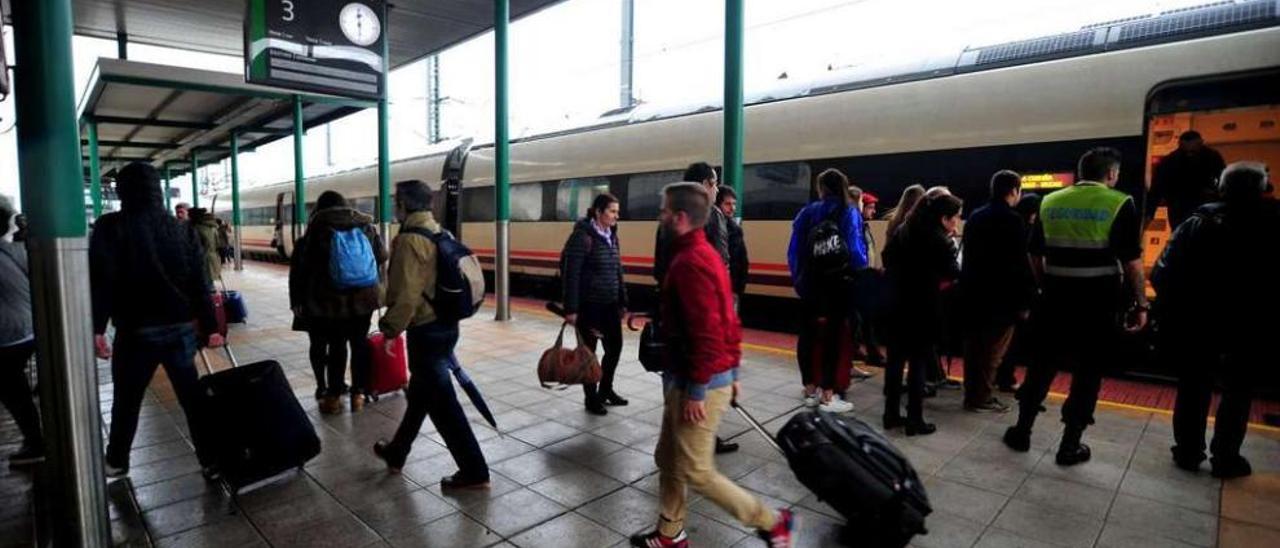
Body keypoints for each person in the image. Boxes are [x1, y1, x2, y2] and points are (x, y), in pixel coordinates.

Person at [630, 182, 795, 548]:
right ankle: (670, 532)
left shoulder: (690, 263)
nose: (660, 217)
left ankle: (772, 522)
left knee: (695, 470)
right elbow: (728, 320)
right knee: (668, 457)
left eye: (664, 211)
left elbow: (706, 332)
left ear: (680, 217)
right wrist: (733, 371)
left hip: (696, 380)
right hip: (695, 375)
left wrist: (698, 390)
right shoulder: (703, 254)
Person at [1004, 147, 1148, 466]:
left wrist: (1046, 283)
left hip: (1054, 299)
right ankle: (1070, 445)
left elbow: (1034, 254)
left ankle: (1022, 430)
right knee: (1088, 372)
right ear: (1111, 174)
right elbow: (1132, 262)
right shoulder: (1120, 202)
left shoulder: (1050, 201)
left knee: (1042, 365)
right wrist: (1141, 303)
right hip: (1098, 303)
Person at [89, 162, 225, 479]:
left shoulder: (111, 226)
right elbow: (200, 284)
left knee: (127, 401)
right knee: (192, 401)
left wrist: (97, 328)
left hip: (135, 333)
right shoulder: (181, 228)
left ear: (122, 191)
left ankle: (118, 461)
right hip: (179, 330)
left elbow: (102, 281)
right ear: (157, 191)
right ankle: (211, 460)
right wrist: (212, 327)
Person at [1154, 161, 1278, 479]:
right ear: (1264, 188)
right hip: (1252, 324)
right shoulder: (1274, 222)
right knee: (1239, 391)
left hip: (1198, 322)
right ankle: (1226, 458)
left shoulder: (1197, 221)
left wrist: (1177, 308)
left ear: (1221, 187)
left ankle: (1187, 452)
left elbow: (1162, 273)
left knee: (1193, 386)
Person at [373, 180, 490, 489]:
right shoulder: (440, 232)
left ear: (403, 205)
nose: (394, 208)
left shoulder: (411, 240)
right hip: (447, 326)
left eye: (396, 202)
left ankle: (474, 470)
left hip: (425, 331)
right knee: (421, 395)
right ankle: (397, 452)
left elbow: (407, 294)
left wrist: (389, 331)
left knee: (444, 406)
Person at [653, 161, 739, 455]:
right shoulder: (703, 230)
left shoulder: (679, 229)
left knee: (675, 456)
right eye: (714, 183)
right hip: (691, 345)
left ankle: (696, 436)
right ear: (705, 185)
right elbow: (708, 323)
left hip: (685, 348)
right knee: (692, 468)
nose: (717, 188)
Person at [289, 190, 386, 413]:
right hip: (363, 298)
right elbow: (382, 255)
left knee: (337, 346)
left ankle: (333, 397)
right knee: (360, 343)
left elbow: (301, 269)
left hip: (329, 301)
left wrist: (298, 300)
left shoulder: (316, 229)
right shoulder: (365, 226)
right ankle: (358, 394)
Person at [787, 168, 869, 413]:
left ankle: (810, 390)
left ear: (821, 189)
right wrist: (859, 273)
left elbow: (793, 252)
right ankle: (828, 395)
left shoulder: (807, 213)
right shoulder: (848, 212)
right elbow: (855, 252)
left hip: (810, 285)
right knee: (834, 337)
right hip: (838, 285)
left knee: (807, 335)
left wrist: (800, 280)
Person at [881, 193, 963, 436]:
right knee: (917, 364)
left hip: (896, 304)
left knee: (894, 363)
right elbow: (953, 272)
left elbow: (887, 258)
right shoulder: (940, 240)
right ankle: (915, 419)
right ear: (944, 218)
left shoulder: (904, 230)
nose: (957, 224)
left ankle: (891, 414)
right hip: (924, 308)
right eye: (955, 218)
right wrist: (952, 245)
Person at [960, 170, 1036, 413]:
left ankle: (972, 393)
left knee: (974, 348)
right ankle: (980, 397)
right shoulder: (1013, 220)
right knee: (993, 351)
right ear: (1013, 191)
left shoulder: (975, 216)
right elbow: (1019, 263)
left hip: (973, 293)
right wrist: (1026, 299)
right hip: (1001, 298)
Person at [562, 193, 629, 415]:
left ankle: (606, 390)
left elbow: (617, 269)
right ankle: (591, 399)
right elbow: (571, 274)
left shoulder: (612, 235)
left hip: (609, 304)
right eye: (612, 211)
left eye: (617, 212)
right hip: (589, 306)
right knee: (588, 354)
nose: (616, 216)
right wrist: (571, 309)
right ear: (598, 212)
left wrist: (622, 299)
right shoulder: (582, 237)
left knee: (615, 348)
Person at [0, 195, 44, 466]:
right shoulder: (16, 250)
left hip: (8, 334)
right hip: (31, 327)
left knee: (12, 390)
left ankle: (35, 442)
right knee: (16, 386)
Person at [995, 193, 1044, 392]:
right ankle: (1005, 378)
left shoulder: (1008, 228)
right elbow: (1025, 269)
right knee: (1011, 343)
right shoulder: (1026, 232)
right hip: (1018, 298)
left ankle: (1000, 376)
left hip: (1001, 294)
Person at [1149, 131, 1227, 229]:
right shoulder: (1212, 157)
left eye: (1192, 151)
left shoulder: (1170, 161)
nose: (1190, 154)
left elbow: (1157, 188)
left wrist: (1150, 212)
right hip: (1195, 205)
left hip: (1182, 206)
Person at [847, 186, 884, 370]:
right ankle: (863, 353)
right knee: (860, 318)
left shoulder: (861, 225)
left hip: (864, 275)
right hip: (859, 276)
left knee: (862, 318)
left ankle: (862, 351)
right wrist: (864, 269)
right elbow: (857, 250)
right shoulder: (855, 224)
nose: (873, 211)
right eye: (869, 206)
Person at [716, 186, 749, 306]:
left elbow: (742, 261)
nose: (732, 208)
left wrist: (738, 289)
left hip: (731, 288)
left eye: (734, 204)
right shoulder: (712, 228)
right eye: (727, 204)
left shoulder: (735, 230)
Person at [189, 207, 222, 283]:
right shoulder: (213, 227)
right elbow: (218, 245)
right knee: (210, 285)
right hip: (213, 260)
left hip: (203, 261)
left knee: (204, 286)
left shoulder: (197, 228)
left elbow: (194, 247)